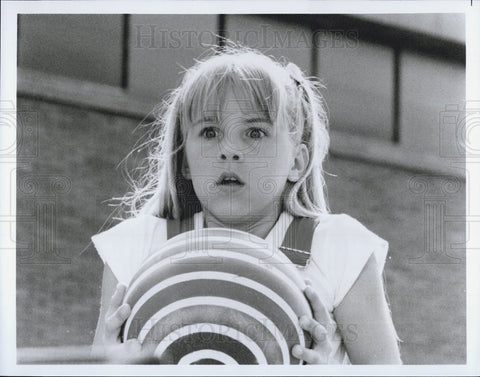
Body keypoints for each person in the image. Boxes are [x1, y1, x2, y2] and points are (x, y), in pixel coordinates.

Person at [91, 46, 402, 364]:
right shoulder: (140, 245)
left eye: (255, 132)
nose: (229, 150)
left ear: (297, 161)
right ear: (184, 161)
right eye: (210, 132)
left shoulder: (336, 246)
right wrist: (109, 363)